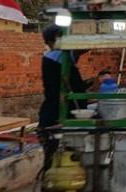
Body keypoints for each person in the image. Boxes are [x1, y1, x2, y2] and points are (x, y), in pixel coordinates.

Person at [38, 24, 92, 168]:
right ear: (53, 42)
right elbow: (74, 87)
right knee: (56, 163)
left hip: (57, 116)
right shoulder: (57, 58)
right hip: (55, 118)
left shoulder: (61, 58)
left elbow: (76, 86)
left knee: (61, 162)